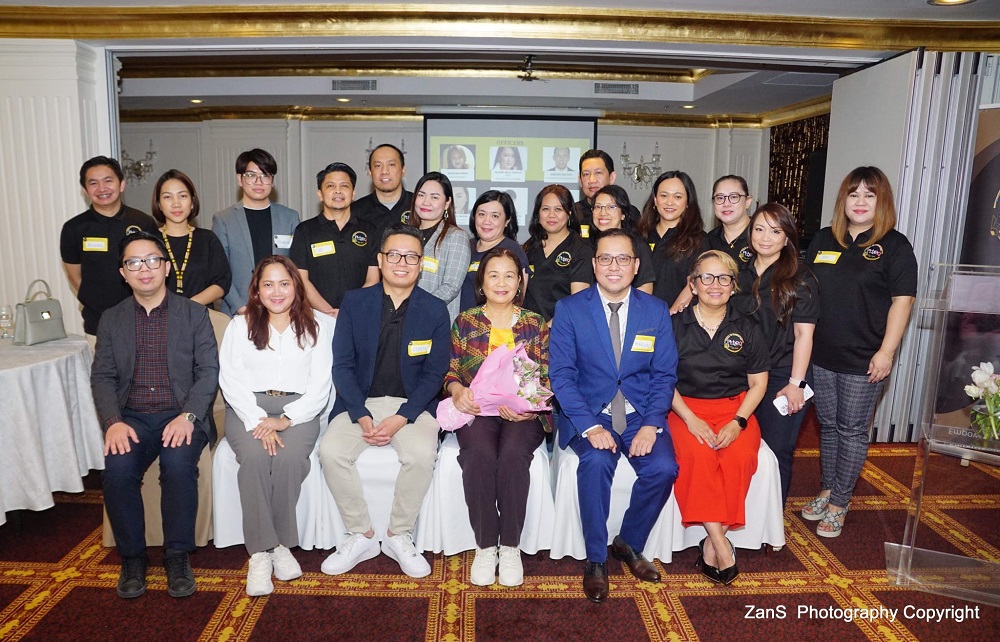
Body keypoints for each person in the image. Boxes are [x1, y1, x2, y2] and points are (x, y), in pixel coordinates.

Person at [549, 228, 679, 604]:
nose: (614, 266)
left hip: (640, 412)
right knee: (596, 463)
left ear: (636, 266)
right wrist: (589, 425)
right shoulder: (570, 309)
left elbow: (664, 373)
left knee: (663, 468)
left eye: (623, 258)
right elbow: (561, 376)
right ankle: (595, 560)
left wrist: (652, 423)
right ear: (594, 264)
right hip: (591, 412)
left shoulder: (655, 310)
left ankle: (629, 542)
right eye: (606, 258)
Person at [91, 231, 218, 600]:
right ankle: (133, 557)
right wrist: (113, 422)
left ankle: (177, 554)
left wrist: (189, 416)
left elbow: (208, 371)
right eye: (133, 263)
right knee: (115, 471)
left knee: (178, 466)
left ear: (165, 268)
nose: (143, 269)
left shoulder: (194, 314)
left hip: (180, 415)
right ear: (123, 273)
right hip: (130, 417)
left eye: (151, 260)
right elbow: (102, 376)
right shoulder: (112, 319)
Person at [319, 224, 451, 578]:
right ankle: (360, 534)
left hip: (412, 406)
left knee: (422, 455)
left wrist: (401, 418)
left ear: (420, 263)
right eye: (394, 255)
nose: (402, 263)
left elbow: (434, 375)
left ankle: (398, 534)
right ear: (380, 259)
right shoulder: (354, 302)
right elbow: (342, 366)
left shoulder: (435, 310)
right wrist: (361, 415)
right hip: (358, 403)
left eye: (411, 256)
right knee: (330, 452)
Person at [802, 166, 917, 538]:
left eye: (869, 194)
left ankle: (839, 504)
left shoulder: (895, 246)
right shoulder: (822, 240)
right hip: (822, 355)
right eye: (854, 194)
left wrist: (887, 352)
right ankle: (827, 488)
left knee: (852, 430)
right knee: (830, 427)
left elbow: (903, 302)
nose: (861, 201)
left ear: (881, 201)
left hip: (865, 359)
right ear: (843, 201)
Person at [218, 255, 334, 596]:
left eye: (284, 283)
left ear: (296, 287)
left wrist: (285, 419)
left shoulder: (317, 325)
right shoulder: (240, 326)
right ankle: (261, 552)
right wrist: (259, 420)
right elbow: (231, 378)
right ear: (257, 290)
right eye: (268, 284)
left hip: (299, 409)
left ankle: (280, 546)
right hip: (248, 407)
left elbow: (320, 383)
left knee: (288, 460)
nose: (276, 291)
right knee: (254, 459)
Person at [446, 248, 548, 587]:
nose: (501, 283)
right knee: (478, 455)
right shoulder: (465, 321)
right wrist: (457, 389)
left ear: (520, 282)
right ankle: (486, 545)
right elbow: (451, 370)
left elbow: (548, 376)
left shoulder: (534, 323)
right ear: (481, 282)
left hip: (522, 413)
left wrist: (528, 407)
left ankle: (512, 547)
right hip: (478, 410)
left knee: (513, 457)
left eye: (509, 276)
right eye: (493, 275)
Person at [667, 250, 769, 586]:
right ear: (692, 285)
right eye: (706, 278)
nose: (715, 284)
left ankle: (711, 541)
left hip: (735, 410)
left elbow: (758, 383)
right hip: (684, 409)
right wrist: (690, 420)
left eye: (724, 278)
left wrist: (738, 422)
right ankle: (722, 546)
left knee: (739, 458)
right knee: (697, 456)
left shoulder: (748, 326)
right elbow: (662, 381)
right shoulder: (673, 324)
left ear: (733, 286)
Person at [736, 203, 819, 506]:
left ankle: (771, 521)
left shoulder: (800, 277)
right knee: (744, 448)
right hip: (744, 375)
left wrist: (796, 384)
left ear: (787, 237)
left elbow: (803, 335)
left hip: (784, 375)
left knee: (775, 450)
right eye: (759, 229)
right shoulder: (738, 271)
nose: (765, 237)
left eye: (775, 231)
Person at [61, 156, 158, 336]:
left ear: (121, 184)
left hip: (144, 321)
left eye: (108, 181)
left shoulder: (143, 222)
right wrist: (98, 303)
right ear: (85, 190)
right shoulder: (73, 228)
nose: (102, 188)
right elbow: (75, 276)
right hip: (98, 324)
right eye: (93, 183)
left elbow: (156, 269)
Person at [212, 148, 301, 316]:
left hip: (282, 309)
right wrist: (241, 307)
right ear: (240, 178)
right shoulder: (223, 219)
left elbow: (296, 268)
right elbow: (220, 271)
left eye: (265, 175)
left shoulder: (289, 217)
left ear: (272, 181)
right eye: (251, 175)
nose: (259, 182)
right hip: (239, 311)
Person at [289, 162, 381, 316]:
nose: (338, 191)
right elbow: (301, 280)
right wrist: (328, 313)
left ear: (353, 193)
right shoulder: (305, 231)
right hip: (315, 318)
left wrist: (348, 311)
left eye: (344, 186)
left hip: (358, 314)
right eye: (330, 186)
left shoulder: (370, 230)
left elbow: (372, 279)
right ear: (320, 193)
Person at [150, 169, 231, 307]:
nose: (176, 204)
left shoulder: (207, 239)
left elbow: (221, 282)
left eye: (182, 196)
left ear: (192, 202)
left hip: (200, 317)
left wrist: (189, 305)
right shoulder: (149, 241)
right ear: (159, 204)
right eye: (167, 197)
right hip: (157, 317)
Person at [637, 170, 707, 314]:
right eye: (664, 196)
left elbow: (694, 284)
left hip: (679, 322)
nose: (669, 202)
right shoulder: (640, 235)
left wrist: (668, 317)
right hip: (640, 318)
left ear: (688, 202)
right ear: (655, 200)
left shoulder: (699, 240)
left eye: (677, 197)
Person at [521, 185, 594, 323]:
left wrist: (547, 330)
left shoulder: (581, 249)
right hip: (527, 333)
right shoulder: (528, 247)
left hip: (562, 332)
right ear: (538, 213)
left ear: (569, 213)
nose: (551, 215)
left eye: (558, 209)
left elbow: (577, 304)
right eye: (545, 209)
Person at [407, 172, 472, 323]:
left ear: (447, 203)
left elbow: (451, 287)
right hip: (401, 320)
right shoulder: (405, 235)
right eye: (421, 195)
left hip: (435, 320)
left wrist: (415, 307)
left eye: (434, 197)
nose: (426, 202)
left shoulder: (456, 236)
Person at [460, 190, 529, 310]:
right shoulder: (465, 246)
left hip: (494, 325)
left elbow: (518, 299)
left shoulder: (512, 250)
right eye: (481, 214)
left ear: (507, 221)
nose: (487, 221)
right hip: (462, 323)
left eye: (495, 216)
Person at [590, 185, 655, 295]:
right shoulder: (588, 244)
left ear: (623, 214)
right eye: (598, 207)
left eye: (611, 207)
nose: (603, 213)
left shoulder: (637, 244)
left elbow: (645, 286)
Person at [573, 149, 640, 235]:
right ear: (580, 180)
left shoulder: (631, 213)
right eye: (586, 174)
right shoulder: (572, 212)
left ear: (611, 177)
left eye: (598, 173)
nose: (592, 180)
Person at [352, 143, 412, 232]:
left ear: (403, 170)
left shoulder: (418, 205)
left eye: (391, 165)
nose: (384, 171)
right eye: (378, 166)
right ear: (370, 172)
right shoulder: (355, 211)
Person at [707, 175, 754, 266]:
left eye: (733, 197)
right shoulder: (709, 240)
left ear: (747, 201)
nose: (726, 204)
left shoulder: (761, 237)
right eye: (720, 198)